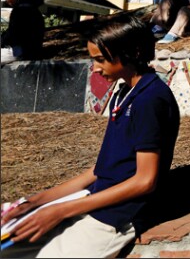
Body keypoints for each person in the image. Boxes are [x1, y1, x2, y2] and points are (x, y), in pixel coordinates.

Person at [0, 16, 180, 257]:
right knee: (9, 247)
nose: (95, 68)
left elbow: (144, 181)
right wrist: (35, 202)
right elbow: (99, 171)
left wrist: (60, 211)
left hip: (115, 219)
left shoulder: (150, 99)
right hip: (93, 202)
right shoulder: (125, 92)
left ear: (132, 52)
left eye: (100, 59)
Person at [1, 0, 45, 64]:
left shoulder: (20, 10)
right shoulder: (34, 10)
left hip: (20, 52)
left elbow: (11, 35)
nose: (7, 0)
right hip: (33, 52)